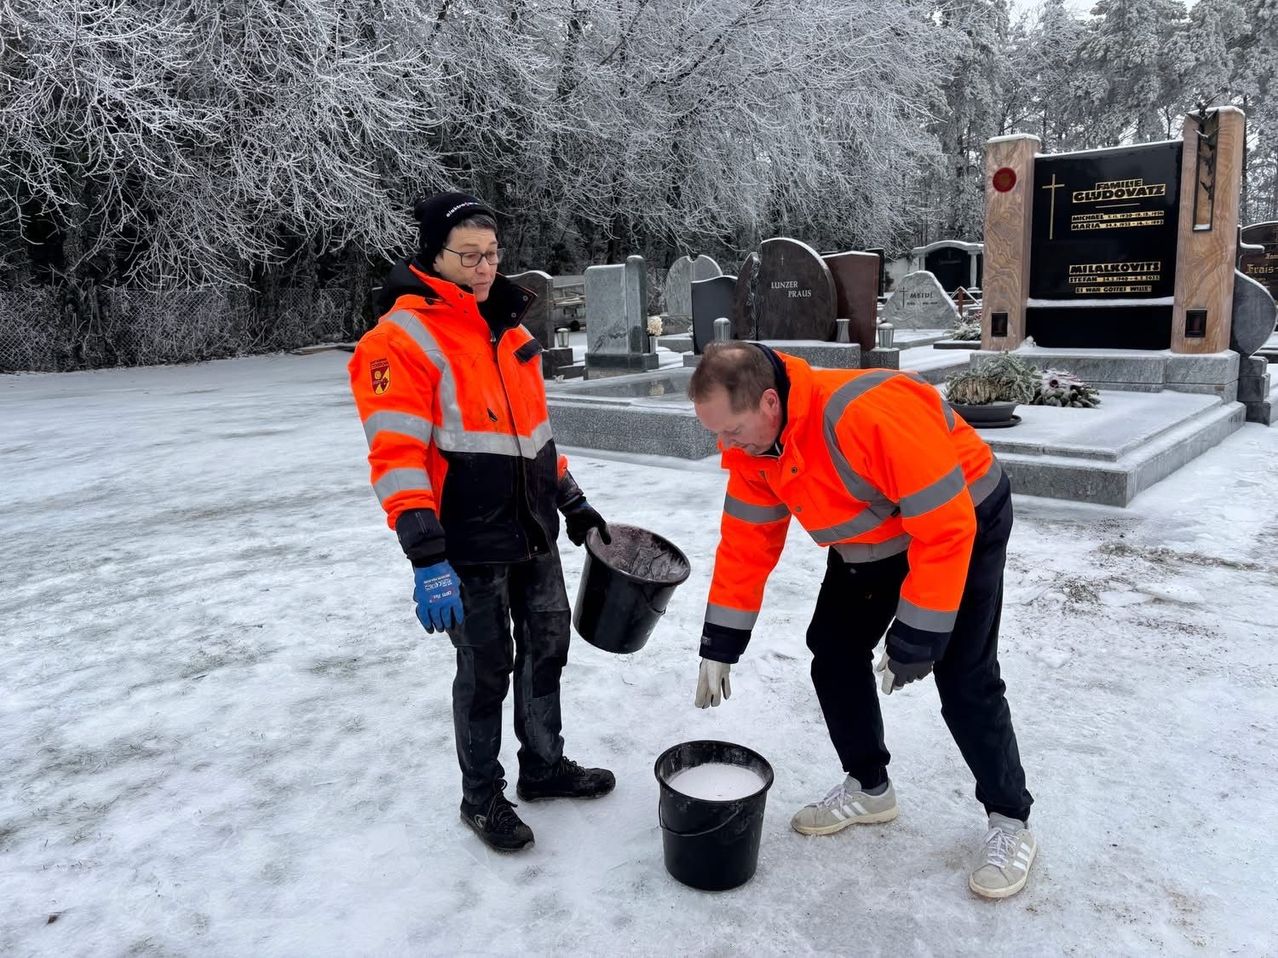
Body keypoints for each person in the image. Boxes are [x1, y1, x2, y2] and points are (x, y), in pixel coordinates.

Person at [688, 341, 1036, 899]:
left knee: (963, 676)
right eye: (717, 434)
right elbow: (746, 545)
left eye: (731, 430)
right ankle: (870, 786)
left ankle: (1010, 819)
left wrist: (917, 634)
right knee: (834, 651)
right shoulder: (757, 448)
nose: (725, 446)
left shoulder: (863, 416)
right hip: (876, 532)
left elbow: (945, 527)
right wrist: (720, 642)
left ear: (770, 401)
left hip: (963, 515)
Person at [348, 192, 615, 853]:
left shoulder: (512, 333)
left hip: (532, 529)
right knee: (486, 667)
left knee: (547, 648)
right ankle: (481, 796)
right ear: (433, 255)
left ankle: (544, 766)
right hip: (466, 541)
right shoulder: (398, 340)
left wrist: (574, 502)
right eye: (469, 255)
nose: (486, 266)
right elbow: (396, 455)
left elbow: (536, 437)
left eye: (492, 253)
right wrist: (425, 555)